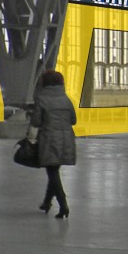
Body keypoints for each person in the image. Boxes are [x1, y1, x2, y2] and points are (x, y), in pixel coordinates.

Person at [31, 70, 77, 218]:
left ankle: (63, 205)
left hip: (49, 139)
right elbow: (73, 120)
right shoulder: (66, 99)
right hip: (66, 139)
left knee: (52, 172)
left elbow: (36, 121)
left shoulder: (41, 99)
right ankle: (46, 202)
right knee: (54, 170)